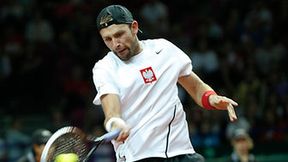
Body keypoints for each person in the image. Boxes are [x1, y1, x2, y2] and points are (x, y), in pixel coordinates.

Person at [93, 5, 238, 162]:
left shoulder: (163, 49)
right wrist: (116, 123)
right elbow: (111, 111)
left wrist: (212, 98)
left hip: (182, 152)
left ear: (134, 27)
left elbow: (196, 88)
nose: (115, 44)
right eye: (108, 39)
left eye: (119, 34)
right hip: (139, 157)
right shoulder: (105, 67)